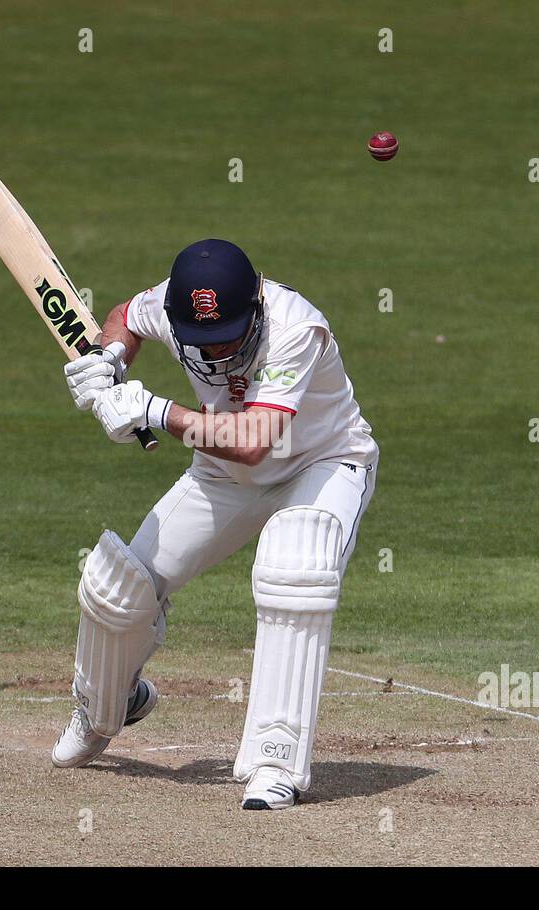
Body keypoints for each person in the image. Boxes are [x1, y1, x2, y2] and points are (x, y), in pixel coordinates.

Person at [51, 238, 378, 810]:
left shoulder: (295, 328)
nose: (217, 349)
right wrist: (110, 360)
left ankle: (276, 762)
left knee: (294, 567)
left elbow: (254, 442)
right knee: (118, 587)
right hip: (221, 474)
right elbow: (123, 316)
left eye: (228, 334)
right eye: (202, 339)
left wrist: (153, 411)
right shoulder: (169, 308)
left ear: (253, 310)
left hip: (320, 465)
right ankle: (106, 705)